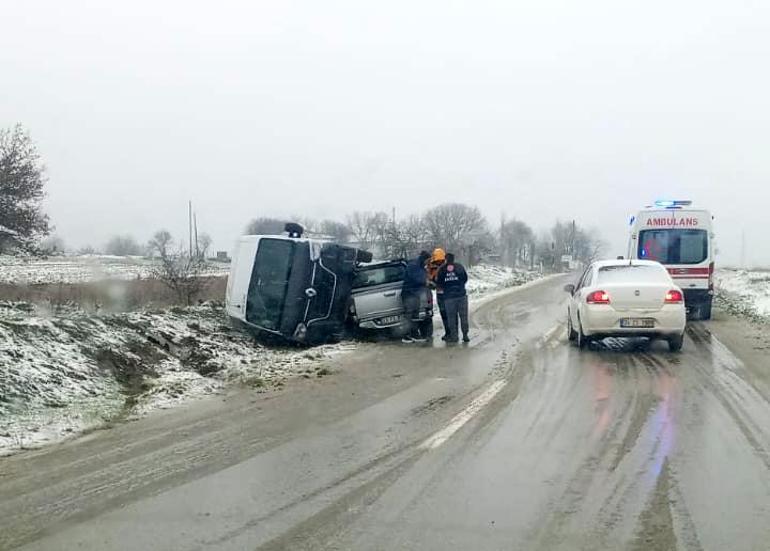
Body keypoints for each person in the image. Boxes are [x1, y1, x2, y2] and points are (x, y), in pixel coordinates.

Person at [437, 253, 469, 344]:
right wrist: (459, 285)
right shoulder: (459, 267)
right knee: (464, 317)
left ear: (445, 259)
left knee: (451, 318)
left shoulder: (442, 269)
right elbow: (465, 278)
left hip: (449, 298)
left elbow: (439, 283)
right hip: (461, 296)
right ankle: (465, 335)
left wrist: (447, 288)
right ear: (453, 259)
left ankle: (454, 337)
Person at [401, 250, 431, 343]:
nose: (428, 263)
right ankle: (406, 336)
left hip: (415, 294)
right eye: (428, 260)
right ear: (424, 259)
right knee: (409, 315)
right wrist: (426, 282)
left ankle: (414, 334)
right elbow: (416, 278)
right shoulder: (414, 266)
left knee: (414, 315)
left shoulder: (420, 266)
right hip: (409, 293)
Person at [427, 248, 449, 339]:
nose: (440, 263)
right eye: (438, 261)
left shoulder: (449, 266)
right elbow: (429, 279)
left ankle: (452, 332)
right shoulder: (431, 267)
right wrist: (431, 283)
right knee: (444, 314)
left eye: (441, 261)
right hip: (440, 294)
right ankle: (448, 332)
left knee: (450, 314)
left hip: (448, 293)